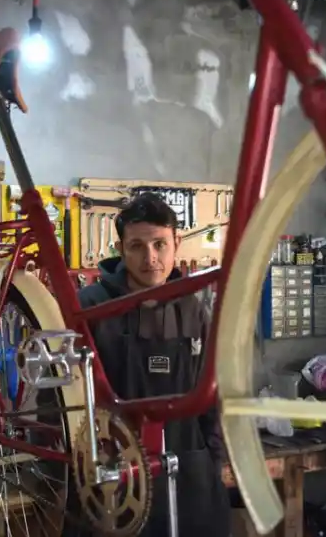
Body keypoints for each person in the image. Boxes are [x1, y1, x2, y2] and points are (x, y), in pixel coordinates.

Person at [77, 192, 231, 537]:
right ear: (121, 248)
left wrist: (214, 461)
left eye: (160, 244)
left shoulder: (193, 308)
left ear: (176, 242)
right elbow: (65, 393)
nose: (151, 258)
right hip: (114, 472)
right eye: (137, 246)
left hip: (188, 468)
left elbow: (213, 394)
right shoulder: (91, 307)